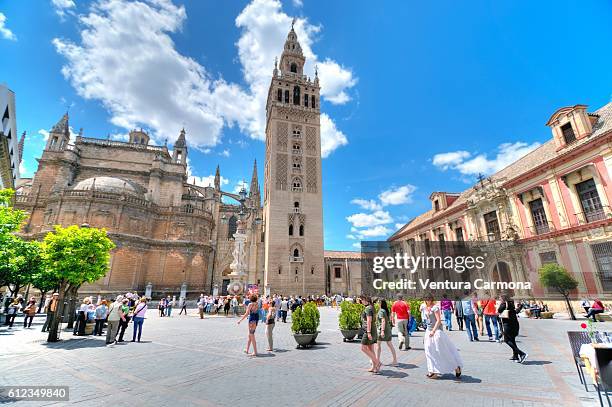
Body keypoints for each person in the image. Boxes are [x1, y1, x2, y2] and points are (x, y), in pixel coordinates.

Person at [423, 295, 463, 379]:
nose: (428, 300)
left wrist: (433, 331)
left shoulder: (435, 308)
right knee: (429, 352)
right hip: (428, 331)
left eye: (429, 299)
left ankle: (456, 367)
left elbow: (438, 321)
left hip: (436, 332)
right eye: (426, 299)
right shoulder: (424, 307)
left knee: (442, 352)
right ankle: (432, 371)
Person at [498, 296, 527, 363]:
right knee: (512, 340)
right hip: (515, 325)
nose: (499, 299)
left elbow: (499, 310)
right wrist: (520, 306)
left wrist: (500, 304)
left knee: (506, 340)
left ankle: (521, 354)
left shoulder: (504, 305)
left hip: (507, 325)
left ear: (503, 299)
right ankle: (515, 356)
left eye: (500, 298)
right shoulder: (511, 305)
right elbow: (516, 311)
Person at [359, 295, 381, 374]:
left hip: (369, 330)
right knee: (371, 349)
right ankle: (374, 367)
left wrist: (368, 332)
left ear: (365, 300)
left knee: (363, 348)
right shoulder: (372, 307)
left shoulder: (368, 308)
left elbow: (369, 321)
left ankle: (377, 362)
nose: (361, 301)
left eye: (361, 300)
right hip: (373, 329)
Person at [376, 299, 398, 366]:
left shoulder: (381, 311)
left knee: (378, 345)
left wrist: (382, 331)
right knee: (390, 344)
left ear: (380, 303)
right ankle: (395, 361)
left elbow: (383, 321)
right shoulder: (385, 310)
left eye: (378, 302)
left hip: (382, 329)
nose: (377, 303)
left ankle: (377, 361)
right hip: (388, 329)